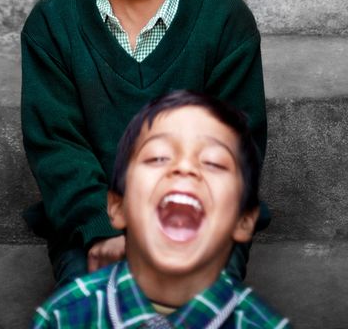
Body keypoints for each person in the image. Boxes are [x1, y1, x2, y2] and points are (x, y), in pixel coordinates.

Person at [21, 0, 267, 290]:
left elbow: (236, 150)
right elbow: (57, 148)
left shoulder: (225, 22)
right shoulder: (51, 26)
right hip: (91, 227)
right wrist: (106, 230)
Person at [30, 91, 289, 328]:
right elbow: (54, 142)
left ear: (244, 221)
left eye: (212, 162)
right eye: (158, 158)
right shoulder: (62, 317)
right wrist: (100, 228)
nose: (184, 168)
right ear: (117, 207)